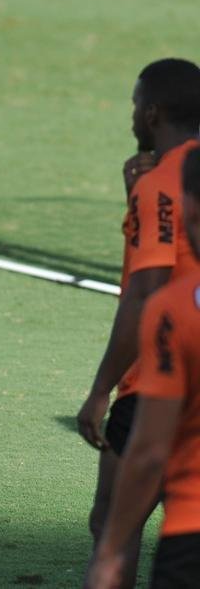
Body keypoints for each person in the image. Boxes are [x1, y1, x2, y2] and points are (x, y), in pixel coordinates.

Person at [77, 58, 200, 587]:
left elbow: (144, 295)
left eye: (134, 103)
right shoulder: (179, 177)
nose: (131, 114)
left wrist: (100, 389)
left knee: (113, 524)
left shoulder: (160, 185)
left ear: (152, 113)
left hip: (158, 373)